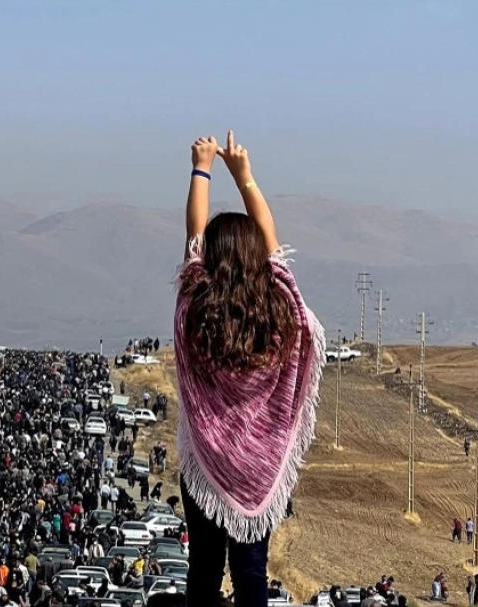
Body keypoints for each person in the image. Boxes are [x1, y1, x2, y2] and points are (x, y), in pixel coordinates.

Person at [174, 132, 324, 607]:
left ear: (212, 259)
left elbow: (194, 235)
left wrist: (202, 168)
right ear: (259, 257)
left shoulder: (195, 308)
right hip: (260, 472)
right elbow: (275, 249)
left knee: (203, 569)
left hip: (205, 460)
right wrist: (246, 178)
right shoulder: (283, 310)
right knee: (251, 572)